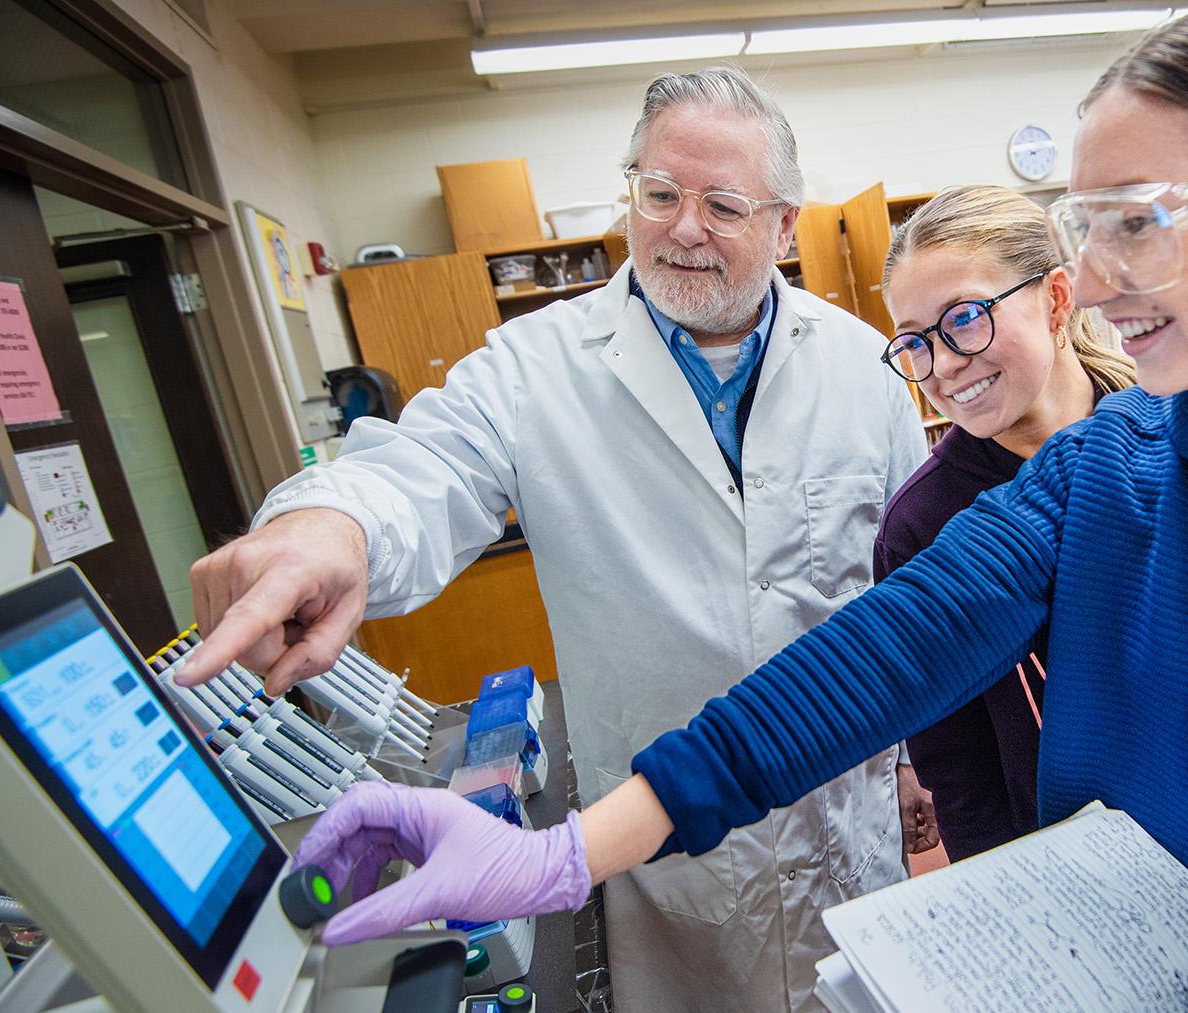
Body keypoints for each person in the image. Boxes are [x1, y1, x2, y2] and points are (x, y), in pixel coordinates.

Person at [292, 2, 1188, 1008]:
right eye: (1081, 228)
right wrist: (561, 852)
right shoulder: (1112, 471)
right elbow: (872, 661)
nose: (1096, 279)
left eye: (1140, 222)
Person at [177, 67, 932, 1012]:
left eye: (723, 204)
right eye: (658, 194)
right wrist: (334, 521)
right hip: (662, 850)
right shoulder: (536, 368)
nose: (682, 227)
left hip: (843, 824)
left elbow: (911, 592)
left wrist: (909, 760)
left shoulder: (865, 366)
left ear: (786, 227)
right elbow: (424, 469)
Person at [873, 185, 1134, 860]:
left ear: (1055, 298)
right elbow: (955, 764)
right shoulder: (924, 524)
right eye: (915, 341)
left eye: (964, 317)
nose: (944, 365)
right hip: (1062, 857)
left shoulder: (1168, 430)